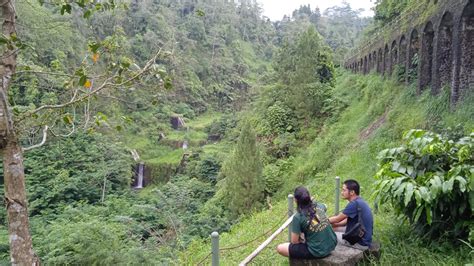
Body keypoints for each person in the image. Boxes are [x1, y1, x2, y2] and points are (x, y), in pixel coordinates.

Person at [276, 186, 337, 259]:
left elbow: (294, 242)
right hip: (332, 244)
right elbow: (325, 206)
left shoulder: (298, 217)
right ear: (309, 196)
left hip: (318, 251)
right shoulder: (319, 205)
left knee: (280, 248)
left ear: (295, 200)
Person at [329, 179, 373, 250]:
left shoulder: (354, 204)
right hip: (363, 237)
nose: (341, 192)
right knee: (333, 228)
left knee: (328, 234)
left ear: (352, 192)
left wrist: (321, 221)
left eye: (344, 190)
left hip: (360, 243)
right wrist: (334, 225)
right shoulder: (359, 201)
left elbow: (337, 219)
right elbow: (346, 221)